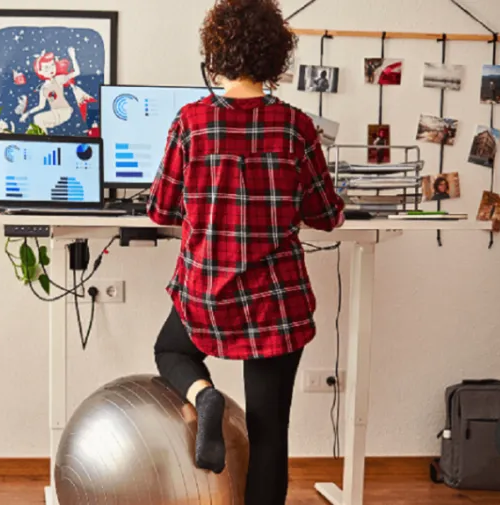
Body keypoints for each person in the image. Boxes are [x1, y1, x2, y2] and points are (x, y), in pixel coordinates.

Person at [146, 1, 345, 504]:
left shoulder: (191, 122)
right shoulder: (296, 126)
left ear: (215, 55)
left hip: (207, 296)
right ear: (276, 56)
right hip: (276, 303)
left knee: (171, 351)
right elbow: (326, 214)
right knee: (269, 430)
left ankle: (203, 394)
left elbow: (160, 210)